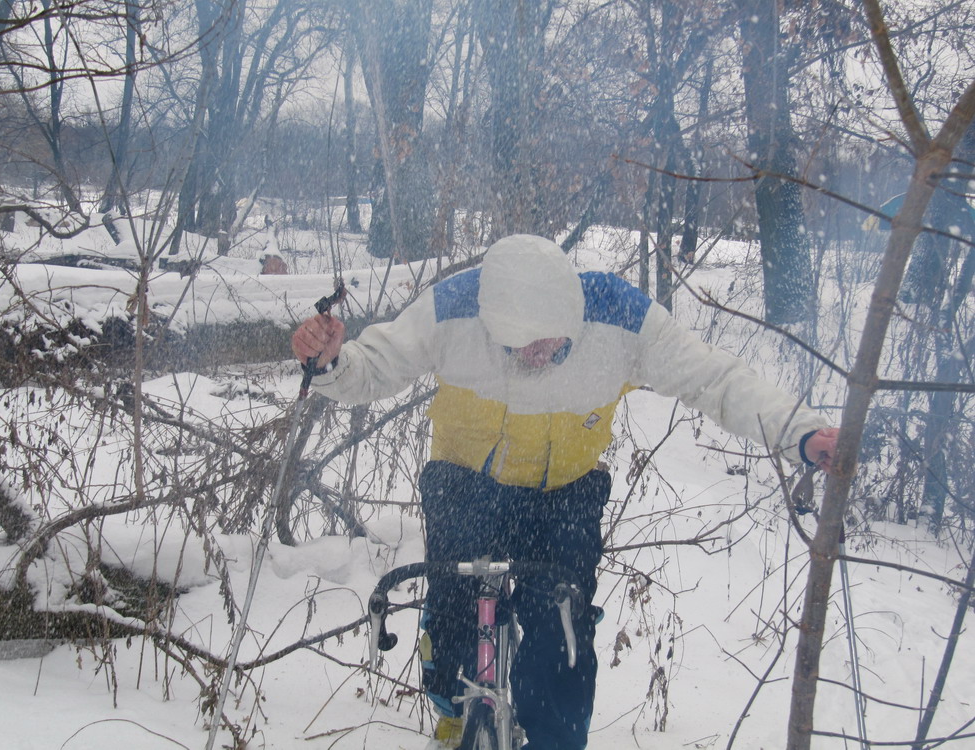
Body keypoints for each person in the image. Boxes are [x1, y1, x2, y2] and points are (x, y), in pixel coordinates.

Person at [291, 234, 838, 750]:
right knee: (455, 618)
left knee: (560, 634)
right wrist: (330, 361)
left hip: (564, 494)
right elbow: (374, 366)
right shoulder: (454, 308)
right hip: (466, 483)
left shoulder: (619, 317)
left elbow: (714, 378)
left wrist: (802, 433)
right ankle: (456, 706)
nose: (534, 355)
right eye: (517, 345)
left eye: (546, 343)